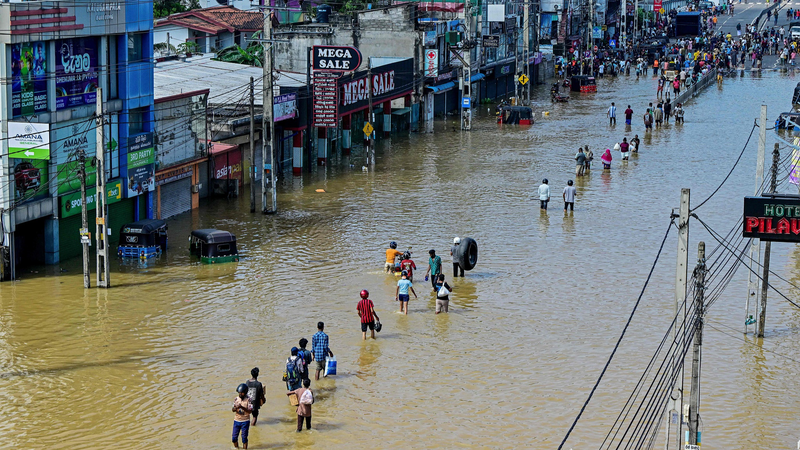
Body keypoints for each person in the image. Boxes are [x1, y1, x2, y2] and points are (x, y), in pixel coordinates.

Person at [232, 383, 253, 449]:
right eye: (239, 393)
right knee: (234, 438)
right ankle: (236, 448)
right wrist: (235, 408)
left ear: (245, 392)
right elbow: (232, 409)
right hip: (236, 420)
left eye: (242, 393)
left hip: (245, 421)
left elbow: (250, 411)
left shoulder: (249, 399)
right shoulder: (236, 399)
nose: (240, 394)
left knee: (244, 438)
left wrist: (242, 407)